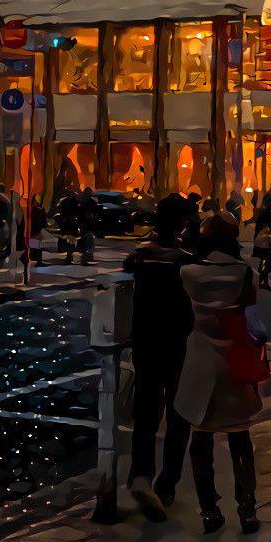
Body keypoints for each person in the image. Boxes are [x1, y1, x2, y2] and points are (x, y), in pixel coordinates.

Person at [174, 213, 265, 535]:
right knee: (241, 439)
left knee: (200, 439)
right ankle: (247, 508)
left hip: (200, 359)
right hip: (233, 358)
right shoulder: (244, 272)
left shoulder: (189, 272)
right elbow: (250, 302)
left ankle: (209, 510)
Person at [123, 194, 195, 521]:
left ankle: (140, 475)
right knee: (179, 417)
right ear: (182, 224)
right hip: (179, 348)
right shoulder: (186, 264)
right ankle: (167, 483)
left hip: (146, 346)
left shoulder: (138, 259)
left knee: (146, 415)